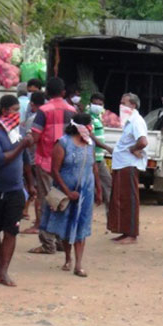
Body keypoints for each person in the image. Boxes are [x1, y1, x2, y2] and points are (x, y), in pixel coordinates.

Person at [0, 95, 33, 286]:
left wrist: (31, 183)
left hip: (15, 190)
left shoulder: (16, 131)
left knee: (11, 231)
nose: (17, 114)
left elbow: (25, 159)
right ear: (3, 111)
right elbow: (0, 160)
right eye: (13, 110)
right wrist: (22, 145)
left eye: (18, 110)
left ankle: (3, 271)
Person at [44, 113, 101, 277]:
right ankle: (68, 258)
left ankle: (78, 264)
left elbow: (94, 167)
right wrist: (67, 192)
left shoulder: (90, 144)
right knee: (66, 225)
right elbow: (54, 170)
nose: (91, 128)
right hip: (66, 193)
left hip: (86, 193)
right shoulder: (62, 143)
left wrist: (98, 189)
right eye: (88, 125)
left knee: (81, 226)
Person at [28, 78, 76, 255]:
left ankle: (47, 243)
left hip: (46, 162)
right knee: (63, 201)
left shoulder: (43, 111)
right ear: (63, 93)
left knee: (46, 201)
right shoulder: (72, 111)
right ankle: (62, 241)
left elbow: (35, 137)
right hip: (66, 165)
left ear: (47, 92)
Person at [107, 93, 148, 244]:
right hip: (122, 164)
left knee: (129, 200)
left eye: (124, 103)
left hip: (128, 165)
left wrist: (132, 149)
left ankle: (131, 234)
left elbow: (143, 141)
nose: (121, 106)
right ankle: (125, 231)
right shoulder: (129, 121)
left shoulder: (137, 121)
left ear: (133, 105)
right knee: (121, 199)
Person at [19, 92, 45, 232]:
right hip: (46, 159)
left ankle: (38, 223)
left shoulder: (34, 119)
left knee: (35, 189)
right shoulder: (47, 115)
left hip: (34, 159)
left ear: (32, 104)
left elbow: (29, 139)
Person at [88, 93, 113, 205]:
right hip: (91, 159)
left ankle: (111, 217)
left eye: (100, 104)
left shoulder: (98, 117)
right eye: (95, 103)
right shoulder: (88, 117)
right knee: (90, 188)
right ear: (91, 103)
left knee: (108, 183)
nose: (98, 106)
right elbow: (91, 136)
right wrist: (107, 147)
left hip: (99, 158)